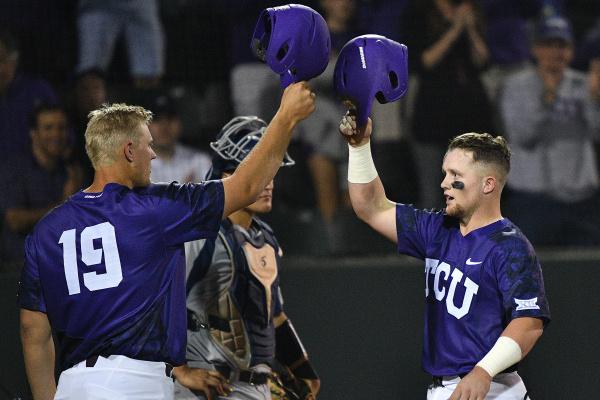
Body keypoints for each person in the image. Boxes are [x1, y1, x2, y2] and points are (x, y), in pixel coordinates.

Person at [18, 82, 315, 400]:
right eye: (147, 144)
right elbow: (246, 186)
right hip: (135, 382)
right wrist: (285, 118)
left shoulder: (46, 230)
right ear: (129, 150)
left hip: (72, 385)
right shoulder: (154, 208)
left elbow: (32, 331)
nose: (154, 153)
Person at [338, 112, 550, 399]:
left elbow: (529, 322)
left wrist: (484, 371)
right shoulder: (437, 229)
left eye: (455, 176)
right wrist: (360, 147)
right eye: (445, 173)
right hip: (446, 386)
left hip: (493, 387)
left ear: (488, 184)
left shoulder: (510, 246)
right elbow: (370, 206)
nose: (444, 183)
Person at [175, 116, 319, 400]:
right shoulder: (201, 233)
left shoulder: (265, 237)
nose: (269, 183)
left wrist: (303, 370)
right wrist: (178, 369)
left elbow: (273, 317)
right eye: (260, 172)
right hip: (208, 385)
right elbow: (161, 300)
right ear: (228, 177)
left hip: (254, 386)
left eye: (272, 172)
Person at [500, 16, 600, 246]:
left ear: (571, 51)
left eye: (562, 46)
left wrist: (595, 101)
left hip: (582, 200)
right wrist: (548, 98)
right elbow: (523, 137)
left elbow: (596, 134)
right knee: (529, 275)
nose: (555, 52)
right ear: (535, 49)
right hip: (533, 201)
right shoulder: (516, 86)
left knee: (584, 275)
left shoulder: (584, 85)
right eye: (548, 45)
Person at [402, 0, 494, 209]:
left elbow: (483, 61)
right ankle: (431, 241)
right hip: (432, 116)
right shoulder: (418, 13)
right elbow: (424, 61)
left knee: (472, 194)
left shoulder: (471, 9)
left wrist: (470, 29)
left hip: (470, 115)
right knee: (433, 195)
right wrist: (455, 29)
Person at [0, 104, 81, 270]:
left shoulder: (72, 170)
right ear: (33, 133)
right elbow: (15, 220)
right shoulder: (13, 169)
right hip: (21, 269)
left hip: (65, 265)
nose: (56, 134)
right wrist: (64, 206)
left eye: (62, 128)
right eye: (48, 128)